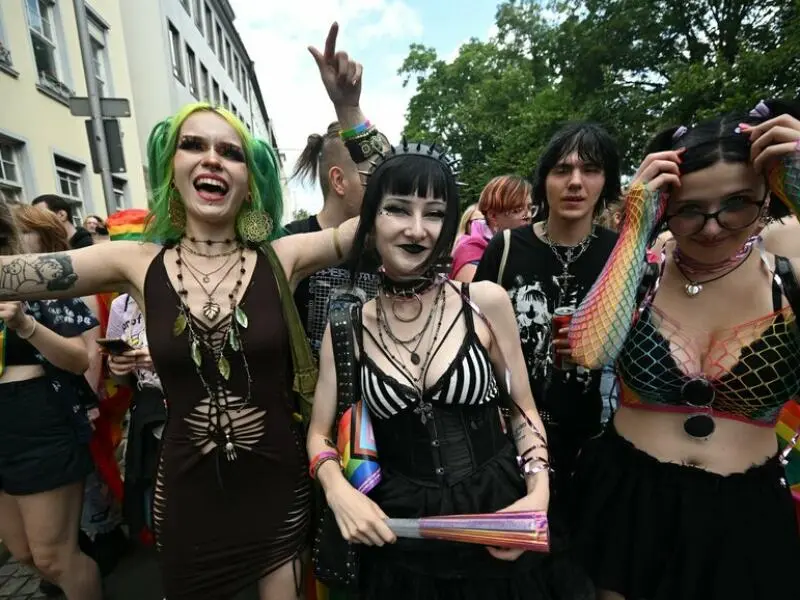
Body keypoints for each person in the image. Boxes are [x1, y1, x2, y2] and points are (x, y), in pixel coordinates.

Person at [0, 89, 366, 599]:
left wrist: (349, 112)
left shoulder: (283, 256)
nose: (212, 158)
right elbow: (10, 277)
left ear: (250, 180)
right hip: (188, 493)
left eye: (231, 151)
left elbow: (385, 214)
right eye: (193, 145)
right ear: (171, 166)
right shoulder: (134, 262)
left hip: (275, 486)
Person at [568, 100, 800, 600]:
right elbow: (589, 351)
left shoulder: (787, 272)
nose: (713, 227)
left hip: (745, 510)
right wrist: (635, 228)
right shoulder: (642, 270)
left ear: (768, 193)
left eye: (737, 203)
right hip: (629, 499)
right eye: (691, 210)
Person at [306, 140, 555, 599]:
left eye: (435, 213)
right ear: (371, 219)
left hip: (495, 517)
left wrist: (537, 496)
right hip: (398, 534)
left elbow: (522, 410)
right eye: (398, 209)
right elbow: (319, 435)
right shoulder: (347, 326)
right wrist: (338, 490)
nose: (417, 230)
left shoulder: (484, 303)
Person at [473, 122, 621, 534]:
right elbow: (471, 337)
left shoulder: (619, 254)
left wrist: (599, 340)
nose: (575, 182)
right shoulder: (505, 249)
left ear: (606, 180)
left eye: (590, 169)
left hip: (594, 446)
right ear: (543, 182)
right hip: (508, 441)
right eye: (561, 170)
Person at [0, 203, 103, 600]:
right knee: (23, 551)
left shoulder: (35, 279)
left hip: (35, 419)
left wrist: (25, 324)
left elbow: (80, 360)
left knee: (53, 557)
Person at [286, 121, 379, 358]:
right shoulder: (288, 242)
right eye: (373, 175)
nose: (383, 186)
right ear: (339, 181)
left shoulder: (385, 246)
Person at [451, 175, 533, 282]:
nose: (528, 216)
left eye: (530, 208)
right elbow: (475, 297)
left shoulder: (526, 246)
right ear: (493, 216)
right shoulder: (471, 251)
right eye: (518, 210)